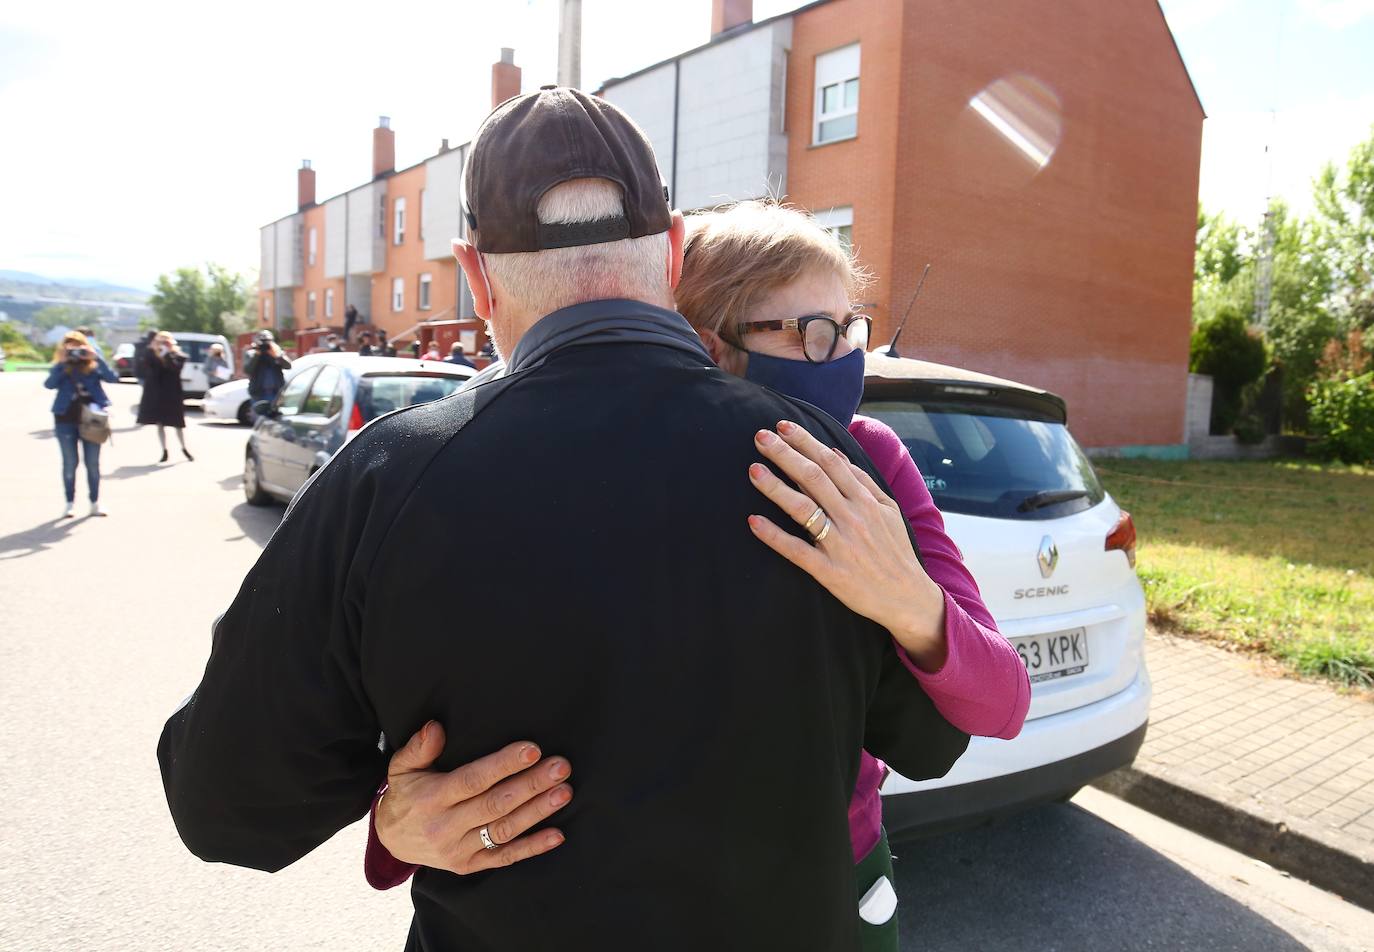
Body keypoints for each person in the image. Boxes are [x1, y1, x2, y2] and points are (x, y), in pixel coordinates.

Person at [158, 87, 968, 951]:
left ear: (475, 276)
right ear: (672, 251)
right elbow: (931, 736)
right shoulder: (816, 462)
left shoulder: (388, 478)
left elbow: (225, 809)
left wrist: (391, 813)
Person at [364, 201, 1031, 950]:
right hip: (598, 890)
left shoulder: (871, 462)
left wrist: (906, 598)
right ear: (709, 347)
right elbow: (474, 688)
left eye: (851, 329)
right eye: (814, 333)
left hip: (827, 884)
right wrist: (396, 824)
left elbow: (1002, 703)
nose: (846, 358)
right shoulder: (593, 465)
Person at [44, 330, 116, 518]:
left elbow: (112, 378)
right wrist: (62, 362)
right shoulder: (62, 364)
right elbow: (49, 384)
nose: (75, 350)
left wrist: (96, 358)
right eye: (70, 346)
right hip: (65, 418)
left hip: (92, 419)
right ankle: (69, 503)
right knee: (70, 463)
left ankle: (94, 502)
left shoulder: (92, 364)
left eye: (78, 345)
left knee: (92, 463)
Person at [137, 331, 191, 462]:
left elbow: (175, 368)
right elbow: (144, 366)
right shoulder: (151, 355)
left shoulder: (178, 356)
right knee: (160, 424)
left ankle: (184, 447)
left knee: (178, 424)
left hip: (172, 395)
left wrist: (166, 353)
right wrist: (152, 350)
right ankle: (164, 450)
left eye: (165, 342)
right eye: (160, 342)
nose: (162, 345)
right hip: (158, 395)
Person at [244, 329, 291, 415]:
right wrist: (257, 355)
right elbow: (248, 370)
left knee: (276, 418)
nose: (265, 345)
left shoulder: (277, 353)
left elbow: (288, 366)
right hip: (258, 393)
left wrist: (277, 356)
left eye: (267, 341)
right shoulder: (251, 354)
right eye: (262, 341)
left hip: (276, 393)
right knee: (260, 419)